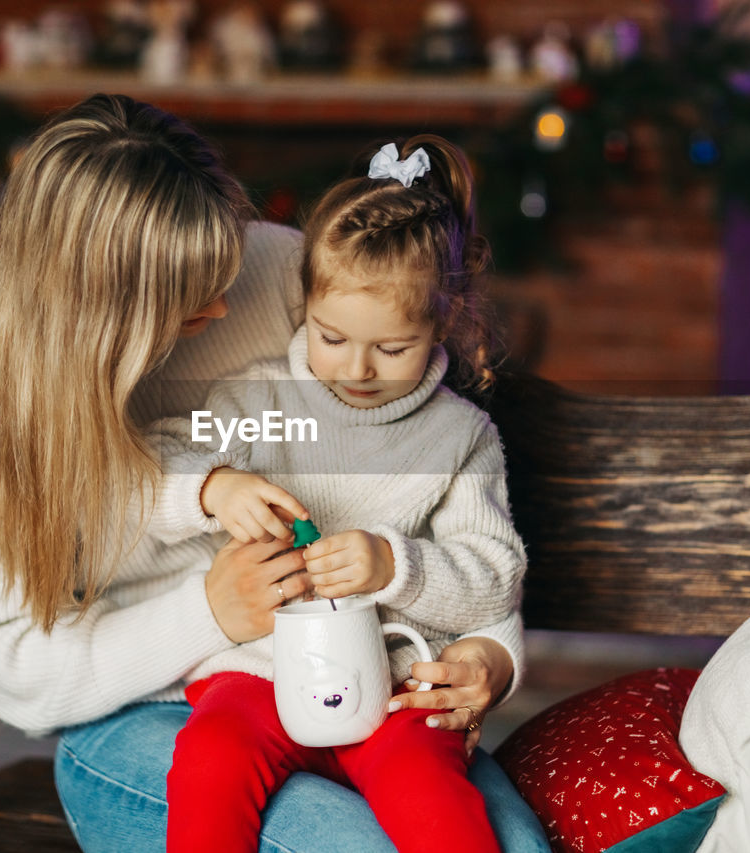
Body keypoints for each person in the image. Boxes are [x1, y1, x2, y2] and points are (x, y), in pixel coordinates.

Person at [0, 94, 549, 852]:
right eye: (190, 293)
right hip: (163, 710)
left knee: (512, 843)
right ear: (106, 307)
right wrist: (208, 612)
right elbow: (2, 664)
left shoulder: (289, 274)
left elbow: (450, 510)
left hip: (355, 677)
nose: (227, 302)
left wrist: (491, 659)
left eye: (228, 259)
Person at [149, 134, 525, 853]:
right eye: (331, 336)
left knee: (438, 801)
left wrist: (396, 564)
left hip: (391, 690)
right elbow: (148, 457)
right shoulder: (259, 398)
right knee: (209, 762)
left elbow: (494, 576)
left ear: (441, 321)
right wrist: (213, 486)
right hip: (259, 673)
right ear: (308, 305)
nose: (357, 368)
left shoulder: (459, 437)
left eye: (391, 348)